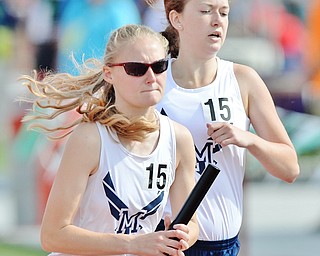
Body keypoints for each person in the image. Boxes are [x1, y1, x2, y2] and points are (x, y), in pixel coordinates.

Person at [19, 24, 199, 256]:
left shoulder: (179, 138)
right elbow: (53, 235)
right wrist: (132, 244)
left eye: (159, 66)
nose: (151, 77)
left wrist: (183, 236)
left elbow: (192, 224)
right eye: (136, 69)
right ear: (109, 73)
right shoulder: (90, 138)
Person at [146, 0, 300, 255]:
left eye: (224, 12)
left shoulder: (242, 80)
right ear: (177, 19)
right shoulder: (153, 81)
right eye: (206, 11)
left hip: (222, 245)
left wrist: (248, 139)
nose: (217, 20)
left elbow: (290, 168)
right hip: (165, 243)